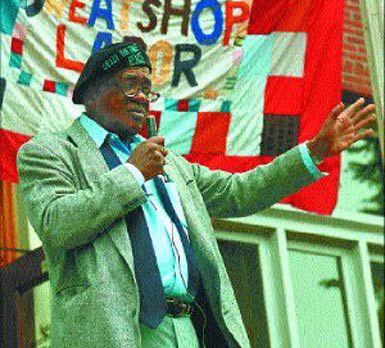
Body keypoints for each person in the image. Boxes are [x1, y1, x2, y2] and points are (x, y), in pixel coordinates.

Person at [17, 42, 376, 348]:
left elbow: (240, 191)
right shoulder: (52, 152)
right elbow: (56, 222)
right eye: (131, 85)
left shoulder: (171, 164)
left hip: (189, 327)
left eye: (147, 88)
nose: (143, 97)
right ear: (93, 92)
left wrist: (314, 151)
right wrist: (132, 174)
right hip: (116, 331)